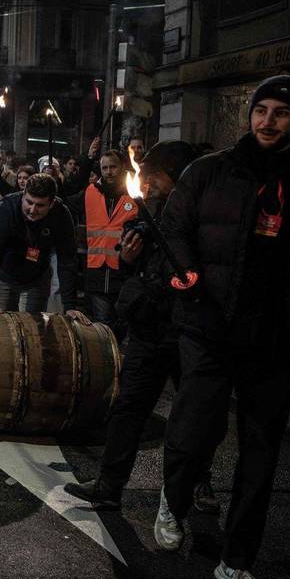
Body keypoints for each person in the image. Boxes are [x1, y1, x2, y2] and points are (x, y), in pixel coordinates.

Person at [156, 75, 290, 579]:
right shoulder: (211, 170)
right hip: (210, 325)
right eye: (261, 110)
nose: (267, 121)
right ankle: (173, 499)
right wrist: (188, 274)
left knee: (260, 455)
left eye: (280, 113)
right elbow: (174, 228)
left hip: (277, 339)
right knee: (195, 428)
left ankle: (237, 560)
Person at [64, 141, 226, 512]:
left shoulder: (204, 213)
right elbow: (137, 265)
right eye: (145, 175)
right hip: (150, 326)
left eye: (155, 176)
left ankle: (200, 484)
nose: (148, 182)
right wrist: (128, 256)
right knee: (128, 407)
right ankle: (109, 485)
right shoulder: (151, 210)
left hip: (189, 329)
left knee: (196, 413)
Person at [0, 173, 88, 323]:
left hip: (36, 278)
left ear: (51, 204)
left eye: (40, 205)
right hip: (5, 276)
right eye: (29, 202)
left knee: (32, 328)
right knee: (0, 326)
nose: (32, 209)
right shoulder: (6, 209)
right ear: (23, 194)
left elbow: (67, 260)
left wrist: (69, 305)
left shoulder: (61, 214)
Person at [70, 149, 138, 329]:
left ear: (122, 167)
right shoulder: (90, 192)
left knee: (125, 323)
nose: (109, 172)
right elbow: (66, 198)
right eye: (104, 168)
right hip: (97, 272)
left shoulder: (135, 193)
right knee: (103, 325)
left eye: (113, 167)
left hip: (125, 270)